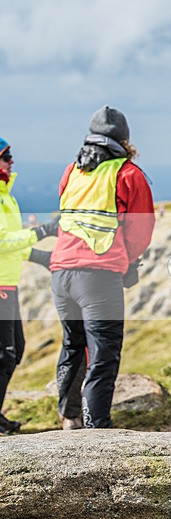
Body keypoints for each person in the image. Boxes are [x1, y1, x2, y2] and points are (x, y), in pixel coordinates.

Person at [49, 106, 155, 429]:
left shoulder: (72, 171)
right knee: (104, 352)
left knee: (72, 344)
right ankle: (97, 430)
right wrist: (127, 261)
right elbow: (140, 231)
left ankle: (69, 418)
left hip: (60, 273)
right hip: (98, 277)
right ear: (124, 140)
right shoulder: (128, 174)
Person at [0, 137, 60, 434]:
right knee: (5, 354)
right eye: (6, 156)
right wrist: (42, 231)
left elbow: (9, 245)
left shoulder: (6, 196)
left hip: (8, 283)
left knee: (15, 351)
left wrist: (40, 257)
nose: (12, 161)